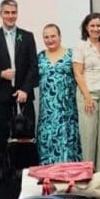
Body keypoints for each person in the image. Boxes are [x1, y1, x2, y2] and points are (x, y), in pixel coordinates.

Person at [0, 0, 39, 179]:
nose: (10, 16)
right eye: (6, 12)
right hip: (0, 95)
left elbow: (33, 67)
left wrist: (25, 90)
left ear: (17, 14)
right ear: (1, 14)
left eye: (13, 12)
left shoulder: (27, 36)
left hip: (23, 94)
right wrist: (0, 74)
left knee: (26, 134)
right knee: (0, 134)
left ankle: (24, 170)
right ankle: (1, 168)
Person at [73, 13, 100, 174]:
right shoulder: (80, 46)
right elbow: (78, 73)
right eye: (92, 26)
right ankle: (87, 173)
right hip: (88, 94)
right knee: (88, 135)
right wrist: (88, 97)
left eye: (98, 26)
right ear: (86, 27)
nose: (96, 29)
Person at [36, 24, 81, 165]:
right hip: (47, 111)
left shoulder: (71, 54)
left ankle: (70, 173)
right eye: (46, 37)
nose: (50, 40)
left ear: (60, 37)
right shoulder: (40, 57)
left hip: (67, 108)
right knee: (47, 138)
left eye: (53, 36)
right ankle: (48, 172)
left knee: (68, 137)